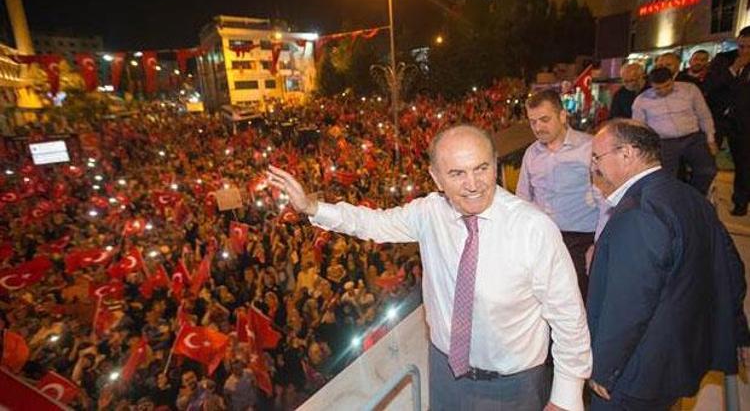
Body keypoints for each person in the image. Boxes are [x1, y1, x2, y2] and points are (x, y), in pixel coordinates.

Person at [267, 125, 592, 411]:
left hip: (513, 387)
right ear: (436, 178)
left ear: (495, 165)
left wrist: (567, 396)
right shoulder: (429, 213)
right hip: (444, 373)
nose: (473, 184)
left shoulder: (534, 229)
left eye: (482, 168)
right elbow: (373, 223)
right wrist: (312, 207)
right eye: (457, 173)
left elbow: (568, 317)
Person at [586, 118, 750, 410]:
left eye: (598, 156)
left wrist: (604, 368)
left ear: (627, 154)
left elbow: (629, 304)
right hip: (679, 361)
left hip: (635, 375)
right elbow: (730, 269)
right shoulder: (690, 197)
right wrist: (738, 330)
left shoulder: (638, 212)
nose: (594, 166)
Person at [518, 90, 600, 298]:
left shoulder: (590, 148)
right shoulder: (531, 154)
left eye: (544, 119)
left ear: (562, 116)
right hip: (544, 240)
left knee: (579, 301)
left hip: (581, 240)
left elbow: (606, 200)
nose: (538, 127)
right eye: (533, 121)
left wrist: (599, 242)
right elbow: (523, 199)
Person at [632, 66, 718, 194]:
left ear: (672, 79)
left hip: (692, 138)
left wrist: (710, 139)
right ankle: (675, 203)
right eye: (658, 88)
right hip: (664, 142)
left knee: (708, 170)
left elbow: (703, 115)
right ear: (651, 85)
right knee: (666, 178)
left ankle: (694, 197)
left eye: (667, 86)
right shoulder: (642, 100)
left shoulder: (690, 90)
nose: (663, 91)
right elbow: (639, 128)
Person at [704, 25, 750, 215]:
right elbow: (711, 86)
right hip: (719, 120)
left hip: (744, 122)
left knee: (744, 164)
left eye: (749, 47)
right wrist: (734, 69)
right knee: (706, 161)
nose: (745, 51)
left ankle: (740, 202)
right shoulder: (723, 60)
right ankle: (703, 199)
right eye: (741, 46)